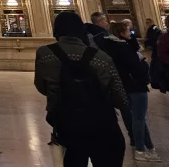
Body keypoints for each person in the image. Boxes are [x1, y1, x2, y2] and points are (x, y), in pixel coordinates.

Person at [34, 11, 127, 167]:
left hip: (66, 123)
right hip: (103, 124)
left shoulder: (45, 54)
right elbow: (120, 98)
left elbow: (41, 86)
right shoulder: (101, 57)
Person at [99, 20, 159, 162]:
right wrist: (144, 66)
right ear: (121, 33)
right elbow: (136, 68)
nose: (130, 33)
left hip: (123, 86)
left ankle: (150, 148)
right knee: (138, 119)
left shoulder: (109, 47)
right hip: (135, 86)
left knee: (138, 118)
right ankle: (140, 149)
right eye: (128, 31)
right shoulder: (123, 48)